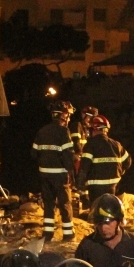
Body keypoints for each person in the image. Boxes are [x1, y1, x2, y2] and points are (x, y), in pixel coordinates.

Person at [31, 100, 76, 242]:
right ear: (63, 116)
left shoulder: (42, 131)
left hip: (44, 175)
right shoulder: (64, 131)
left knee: (48, 204)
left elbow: (33, 153)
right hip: (60, 175)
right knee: (65, 204)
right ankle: (68, 234)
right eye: (68, 115)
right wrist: (71, 171)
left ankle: (47, 234)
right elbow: (68, 155)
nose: (68, 118)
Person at [78, 115, 132, 202]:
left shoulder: (90, 145)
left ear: (94, 129)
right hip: (112, 187)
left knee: (96, 212)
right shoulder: (116, 145)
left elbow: (84, 168)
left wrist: (81, 189)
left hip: (95, 189)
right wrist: (120, 172)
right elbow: (128, 162)